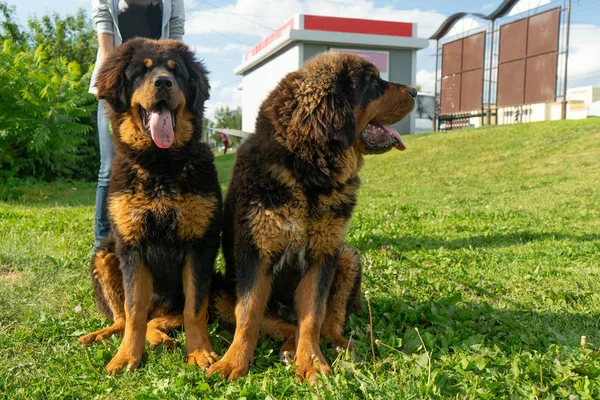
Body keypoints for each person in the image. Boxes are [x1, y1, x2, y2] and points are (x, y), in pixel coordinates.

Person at [90, 0, 185, 248]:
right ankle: (102, 241)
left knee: (164, 165)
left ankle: (154, 239)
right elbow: (106, 47)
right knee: (110, 167)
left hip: (163, 82)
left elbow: (177, 40)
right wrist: (115, 91)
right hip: (120, 86)